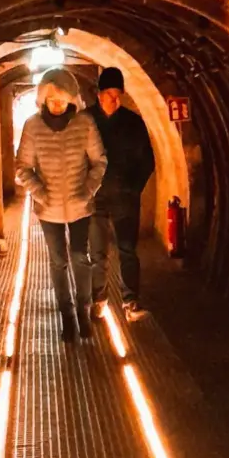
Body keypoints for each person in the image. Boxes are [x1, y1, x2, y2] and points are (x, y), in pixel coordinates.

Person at [15, 68, 108, 342]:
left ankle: (83, 310)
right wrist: (40, 193)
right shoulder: (33, 126)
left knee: (80, 256)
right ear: (43, 99)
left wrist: (87, 190)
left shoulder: (84, 124)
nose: (57, 105)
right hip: (49, 208)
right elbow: (23, 167)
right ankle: (66, 315)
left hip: (79, 204)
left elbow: (99, 161)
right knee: (58, 262)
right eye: (52, 99)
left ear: (71, 99)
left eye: (62, 99)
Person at [86, 67, 155, 319]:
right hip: (94, 198)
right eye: (110, 94)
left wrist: (133, 189)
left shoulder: (133, 123)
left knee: (127, 250)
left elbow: (147, 161)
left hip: (125, 199)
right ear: (99, 94)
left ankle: (130, 301)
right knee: (97, 252)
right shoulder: (85, 122)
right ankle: (99, 299)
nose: (115, 100)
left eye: (118, 95)